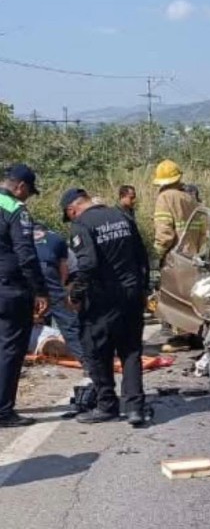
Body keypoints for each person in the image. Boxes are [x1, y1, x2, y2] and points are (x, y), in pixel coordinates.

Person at [61, 188, 150, 425]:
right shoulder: (122, 216)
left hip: (102, 299)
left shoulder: (81, 224)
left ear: (72, 210)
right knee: (130, 351)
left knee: (97, 350)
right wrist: (144, 290)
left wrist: (76, 295)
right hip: (130, 294)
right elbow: (141, 256)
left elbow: (88, 264)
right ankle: (135, 408)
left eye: (69, 215)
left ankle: (107, 405)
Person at [0, 164, 49, 427]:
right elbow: (26, 254)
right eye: (28, 191)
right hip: (10, 289)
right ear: (20, 186)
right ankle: (3, 411)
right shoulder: (16, 211)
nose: (27, 197)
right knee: (10, 349)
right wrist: (39, 290)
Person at [32, 223, 83, 364]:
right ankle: (85, 359)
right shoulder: (57, 239)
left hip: (25, 270)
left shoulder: (21, 235)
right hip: (48, 269)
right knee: (67, 320)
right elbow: (63, 270)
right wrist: (59, 293)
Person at [152, 160, 200, 266]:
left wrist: (156, 256)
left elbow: (164, 234)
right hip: (193, 259)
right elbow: (202, 233)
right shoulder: (190, 199)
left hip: (174, 260)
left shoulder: (164, 198)